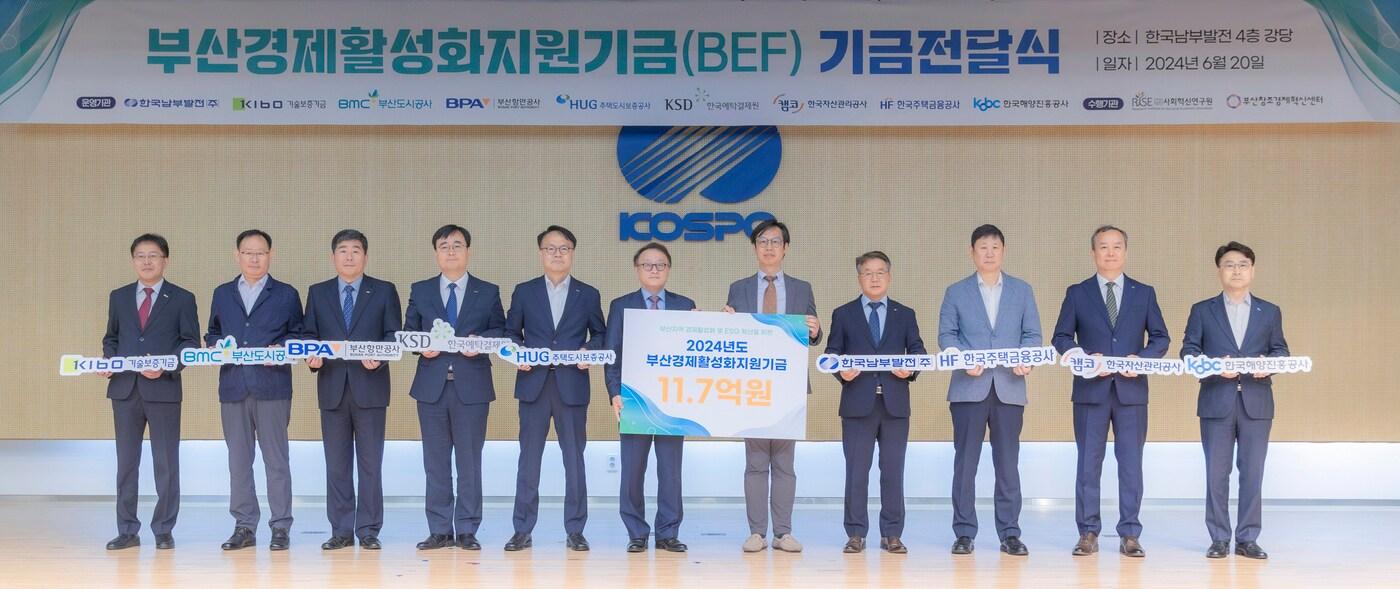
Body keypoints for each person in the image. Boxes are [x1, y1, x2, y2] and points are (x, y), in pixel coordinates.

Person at [1051, 225, 1169, 558]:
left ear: (1125, 252)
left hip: (1132, 391)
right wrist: (1083, 358)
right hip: (1091, 390)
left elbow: (1161, 338)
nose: (1111, 252)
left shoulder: (1144, 293)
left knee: (1131, 464)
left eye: (1117, 246)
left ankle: (1130, 532)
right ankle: (1088, 532)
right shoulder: (1078, 293)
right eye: (1103, 246)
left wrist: (1142, 359)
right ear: (1093, 253)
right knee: (1088, 464)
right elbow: (1061, 337)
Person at [937, 224, 1041, 556]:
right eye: (983, 247)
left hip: (1009, 386)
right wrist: (963, 358)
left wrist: (1026, 360)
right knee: (965, 463)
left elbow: (1032, 336)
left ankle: (1010, 533)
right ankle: (964, 532)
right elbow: (946, 336)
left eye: (995, 246)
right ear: (972, 253)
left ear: (1004, 251)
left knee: (1008, 464)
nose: (989, 252)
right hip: (969, 387)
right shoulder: (956, 291)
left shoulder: (1022, 291)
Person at [1180, 242, 1288, 560]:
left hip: (1257, 401)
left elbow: (1281, 351)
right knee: (1216, 473)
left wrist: (1267, 365)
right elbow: (1188, 351)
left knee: (1253, 472)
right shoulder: (1202, 310)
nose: (1236, 270)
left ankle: (1247, 538)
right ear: (1219, 271)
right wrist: (1215, 365)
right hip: (1216, 399)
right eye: (1229, 265)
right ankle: (1218, 538)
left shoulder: (1269, 311)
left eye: (1243, 265)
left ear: (1252, 270)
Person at [722, 218, 822, 553]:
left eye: (775, 241)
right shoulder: (738, 288)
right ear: (754, 248)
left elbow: (813, 334)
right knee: (755, 463)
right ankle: (756, 532)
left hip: (788, 385)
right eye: (763, 241)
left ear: (785, 248)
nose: (769, 247)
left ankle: (783, 533)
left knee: (784, 463)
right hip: (751, 385)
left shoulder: (802, 288)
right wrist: (724, 322)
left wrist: (815, 330)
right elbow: (731, 336)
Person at [504, 225, 606, 552]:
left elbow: (600, 334)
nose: (557, 254)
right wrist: (517, 353)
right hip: (533, 383)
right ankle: (522, 529)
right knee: (528, 460)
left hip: (572, 385)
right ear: (541, 254)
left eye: (564, 248)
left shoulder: (587, 294)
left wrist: (588, 351)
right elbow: (510, 333)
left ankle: (575, 530)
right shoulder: (524, 291)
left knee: (574, 461)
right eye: (551, 248)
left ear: (572, 253)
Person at [404, 224, 505, 551]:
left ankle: (467, 529)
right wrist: (422, 347)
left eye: (457, 245)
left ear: (468, 251)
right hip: (431, 387)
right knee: (435, 462)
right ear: (436, 253)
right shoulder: (421, 290)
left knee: (469, 462)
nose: (451, 251)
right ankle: (439, 530)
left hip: (472, 387)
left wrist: (481, 341)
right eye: (444, 246)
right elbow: (408, 333)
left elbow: (501, 332)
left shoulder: (487, 291)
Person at [206, 229, 304, 551]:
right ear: (237, 256)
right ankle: (244, 526)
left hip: (272, 386)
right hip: (233, 385)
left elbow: (298, 335)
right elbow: (212, 333)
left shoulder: (286, 294)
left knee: (276, 460)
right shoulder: (222, 293)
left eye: (260, 253)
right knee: (238, 461)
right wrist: (216, 345)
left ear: (270, 256)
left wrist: (282, 347)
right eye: (248, 252)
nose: (254, 258)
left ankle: (280, 526)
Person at [303, 229, 401, 550]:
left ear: (365, 256)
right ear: (333, 257)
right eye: (342, 250)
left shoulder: (384, 291)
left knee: (371, 464)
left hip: (370, 387)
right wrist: (312, 357)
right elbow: (309, 335)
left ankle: (369, 529)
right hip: (332, 387)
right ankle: (341, 530)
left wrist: (381, 357)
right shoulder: (318, 292)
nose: (349, 256)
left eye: (355, 250)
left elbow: (393, 335)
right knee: (337, 465)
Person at [101, 234, 199, 551]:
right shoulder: (119, 297)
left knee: (166, 463)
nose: (146, 261)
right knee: (126, 464)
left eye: (153, 255)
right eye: (140, 256)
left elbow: (190, 343)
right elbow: (111, 338)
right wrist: (109, 359)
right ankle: (127, 530)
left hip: (164, 389)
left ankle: (163, 529)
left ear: (165, 260)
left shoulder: (182, 298)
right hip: (125, 389)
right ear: (133, 261)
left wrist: (167, 366)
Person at [825, 251, 925, 554]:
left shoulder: (904, 314)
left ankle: (892, 533)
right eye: (868, 272)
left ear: (889, 277)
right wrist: (840, 371)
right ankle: (855, 533)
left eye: (880, 272)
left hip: (895, 404)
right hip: (857, 404)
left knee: (893, 471)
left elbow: (918, 351)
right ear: (859, 278)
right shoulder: (843, 314)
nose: (874, 278)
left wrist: (911, 369)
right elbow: (831, 352)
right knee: (856, 472)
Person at [604, 242, 696, 553]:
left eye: (660, 265)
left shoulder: (685, 306)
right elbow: (612, 354)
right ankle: (637, 533)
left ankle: (668, 532)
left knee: (671, 470)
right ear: (637, 269)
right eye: (647, 264)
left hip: (673, 400)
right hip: (633, 399)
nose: (654, 270)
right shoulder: (621, 306)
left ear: (669, 269)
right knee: (632, 470)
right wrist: (614, 393)